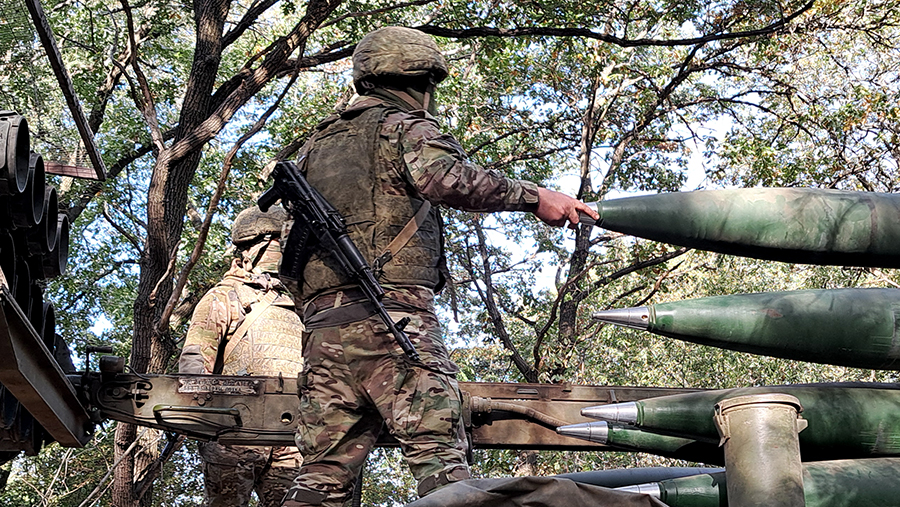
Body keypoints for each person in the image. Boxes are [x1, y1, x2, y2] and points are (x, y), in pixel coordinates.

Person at [280, 26, 598, 507]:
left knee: (322, 476)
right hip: (392, 320)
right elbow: (447, 178)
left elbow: (290, 252)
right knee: (440, 460)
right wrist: (536, 197)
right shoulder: (403, 126)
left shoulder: (312, 149)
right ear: (423, 77)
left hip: (323, 332)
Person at [179, 205, 306, 507]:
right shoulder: (225, 296)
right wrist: (201, 419)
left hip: (292, 436)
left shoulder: (303, 304)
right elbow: (195, 364)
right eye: (275, 244)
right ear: (251, 248)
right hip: (234, 433)